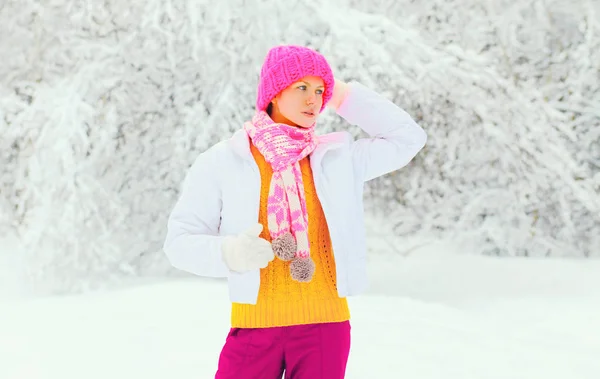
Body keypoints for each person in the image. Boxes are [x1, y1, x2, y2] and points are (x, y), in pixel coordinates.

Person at [163, 45, 427, 379]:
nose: (313, 100)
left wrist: (343, 95)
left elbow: (408, 138)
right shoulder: (223, 161)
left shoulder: (336, 159)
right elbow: (179, 243)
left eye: (320, 90)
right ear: (273, 93)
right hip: (255, 327)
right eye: (301, 87)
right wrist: (230, 253)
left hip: (324, 327)